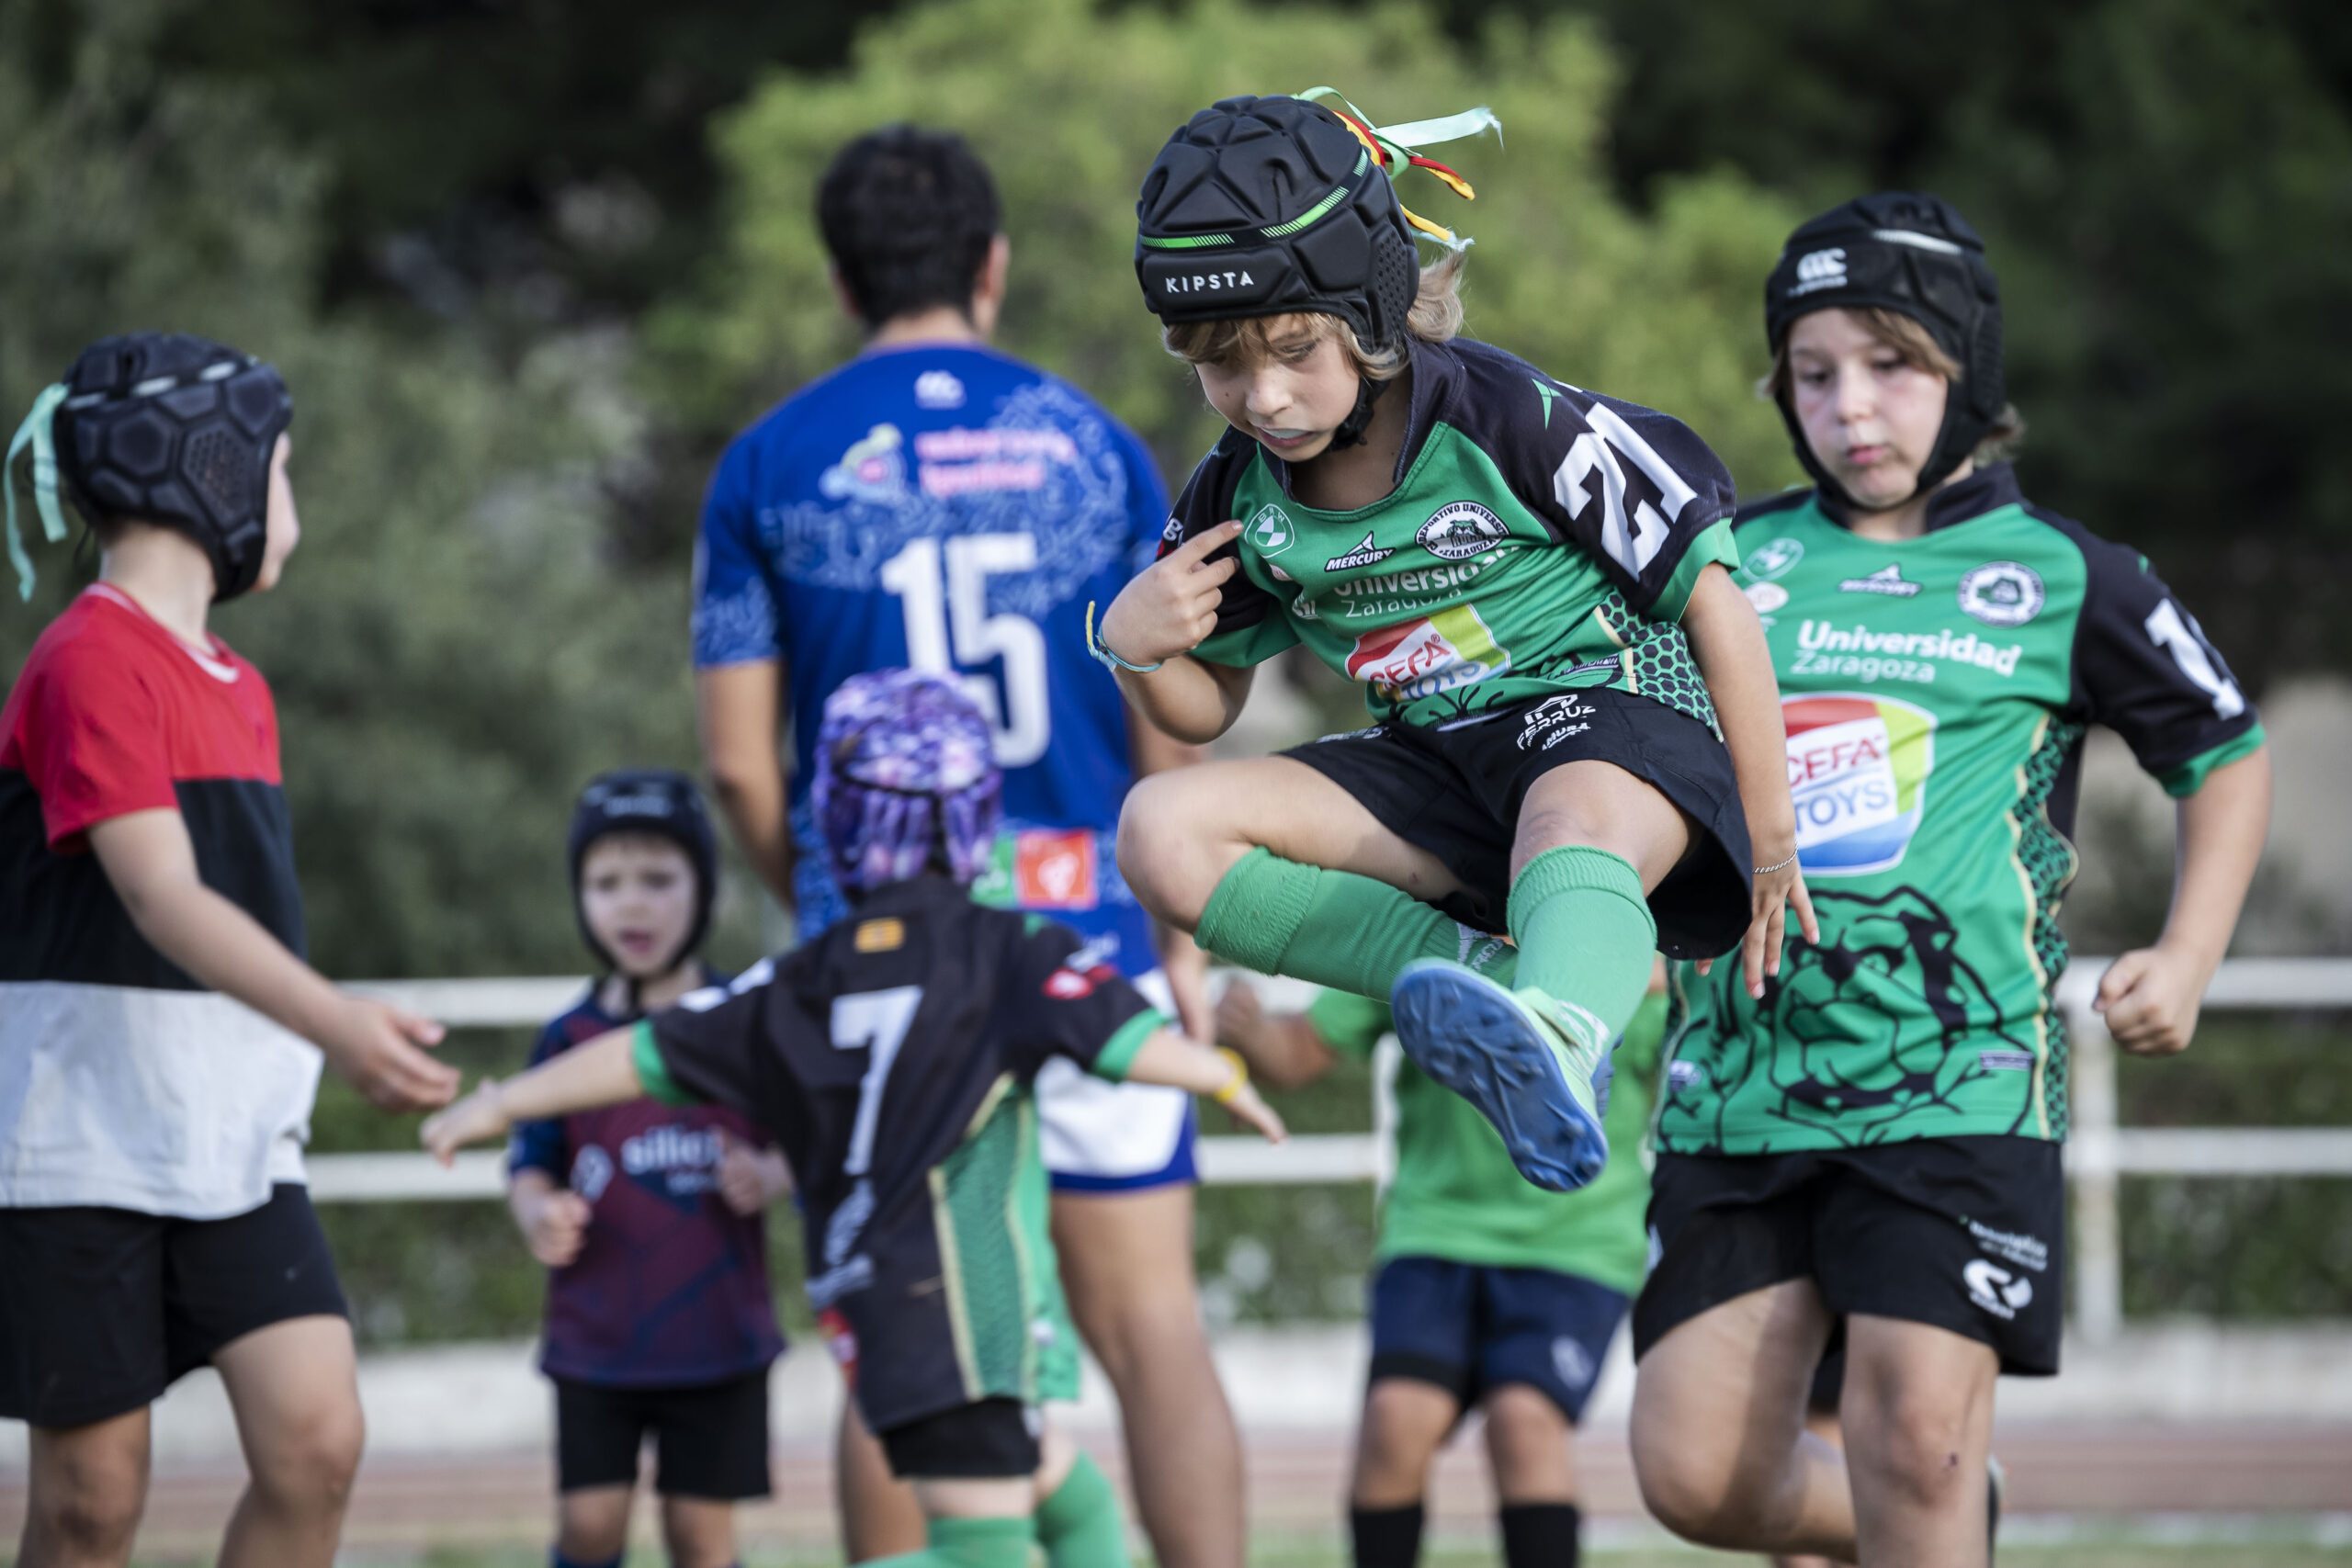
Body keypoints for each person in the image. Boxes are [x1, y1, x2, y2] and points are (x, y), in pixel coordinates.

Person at [1626, 193, 2272, 1568]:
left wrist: (2191, 954)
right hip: (1740, 1082)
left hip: (1961, 1071)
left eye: (1894, 364)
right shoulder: (1733, 561)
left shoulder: (2067, 575)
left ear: (1968, 369)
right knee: (1690, 1471)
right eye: (1815, 373)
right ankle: (1944, 1526)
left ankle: (1931, 1508)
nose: (1853, 407)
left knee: (1913, 1430)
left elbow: (2224, 755)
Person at [692, 124, 1244, 1565]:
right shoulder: (1095, 443)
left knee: (906, 1327)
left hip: (872, 962)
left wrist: (821, 902)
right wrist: (1177, 937)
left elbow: (740, 763)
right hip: (1090, 931)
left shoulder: (767, 463)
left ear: (838, 278)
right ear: (993, 266)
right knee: (1151, 1324)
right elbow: (1169, 720)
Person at [1102, 90, 1812, 1194]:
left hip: (1610, 729)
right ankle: (1482, 985)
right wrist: (1137, 647)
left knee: (1564, 813)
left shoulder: (1507, 418)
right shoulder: (1235, 496)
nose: (1263, 396)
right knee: (1159, 831)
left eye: (1295, 349)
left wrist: (1771, 840)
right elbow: (1207, 709)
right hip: (1440, 764)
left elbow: (1714, 594)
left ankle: (1565, 1041)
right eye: (1220, 365)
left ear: (1376, 310)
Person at [424, 670, 1287, 1568]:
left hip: (873, 1310)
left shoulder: (798, 980)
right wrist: (1218, 1075)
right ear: (973, 812)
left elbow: (639, 1052)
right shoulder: (1008, 949)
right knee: (982, 1550)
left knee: (1070, 1502)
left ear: (835, 817)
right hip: (966, 1309)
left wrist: (502, 1102)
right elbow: (1121, 1035)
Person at [0, 333, 459, 1568]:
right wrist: (341, 1019)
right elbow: (160, 894)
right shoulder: (88, 656)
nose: (290, 510)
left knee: (317, 1440)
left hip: (236, 1134)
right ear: (207, 464)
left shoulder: (240, 685)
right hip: (81, 1141)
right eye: (284, 472)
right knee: (91, 1501)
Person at [1217, 962, 1669, 1568]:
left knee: (1524, 1421)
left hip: (1579, 1240)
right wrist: (1248, 1030)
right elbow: (1298, 1053)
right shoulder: (1423, 920)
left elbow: (1698, 1077)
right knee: (1394, 1420)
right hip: (1435, 1228)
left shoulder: (1624, 939)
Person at [506, 771, 794, 1568]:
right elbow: (530, 1163)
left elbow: (808, 1145)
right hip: (596, 1343)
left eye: (659, 879)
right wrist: (537, 1214)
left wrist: (769, 1174)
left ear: (705, 887)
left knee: (700, 1538)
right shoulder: (566, 1039)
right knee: (590, 1526)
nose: (632, 904)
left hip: (718, 1339)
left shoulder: (744, 1020)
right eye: (607, 882)